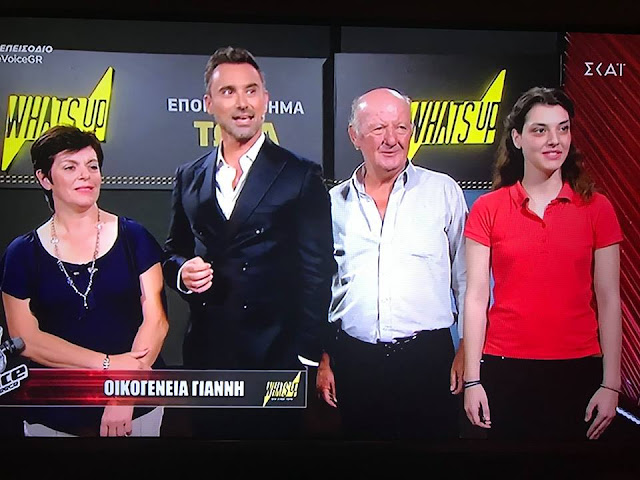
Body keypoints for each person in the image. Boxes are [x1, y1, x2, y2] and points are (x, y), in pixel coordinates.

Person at [162, 47, 335, 438]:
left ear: (265, 99)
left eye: (251, 90)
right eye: (228, 92)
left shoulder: (299, 175)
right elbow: (173, 251)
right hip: (208, 358)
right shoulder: (189, 175)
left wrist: (306, 356)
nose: (242, 103)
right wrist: (182, 273)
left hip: (277, 358)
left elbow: (319, 270)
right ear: (209, 103)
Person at [463, 87, 622, 441]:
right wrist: (473, 380)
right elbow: (475, 297)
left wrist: (611, 384)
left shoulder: (598, 209)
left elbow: (610, 299)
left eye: (563, 129)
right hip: (505, 369)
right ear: (517, 139)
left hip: (580, 369)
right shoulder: (488, 208)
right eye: (540, 130)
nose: (555, 140)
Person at [316, 88, 467, 440]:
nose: (392, 139)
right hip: (354, 361)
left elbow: (468, 279)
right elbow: (322, 287)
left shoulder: (443, 192)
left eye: (401, 127)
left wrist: (467, 350)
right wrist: (324, 357)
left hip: (429, 361)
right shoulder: (333, 204)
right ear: (354, 136)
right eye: (378, 128)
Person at [0, 125, 169, 437]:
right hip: (53, 415)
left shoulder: (135, 237)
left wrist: (124, 393)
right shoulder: (22, 253)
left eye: (92, 166)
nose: (85, 176)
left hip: (134, 411)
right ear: (44, 178)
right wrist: (107, 364)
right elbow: (27, 339)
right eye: (70, 167)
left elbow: (156, 321)